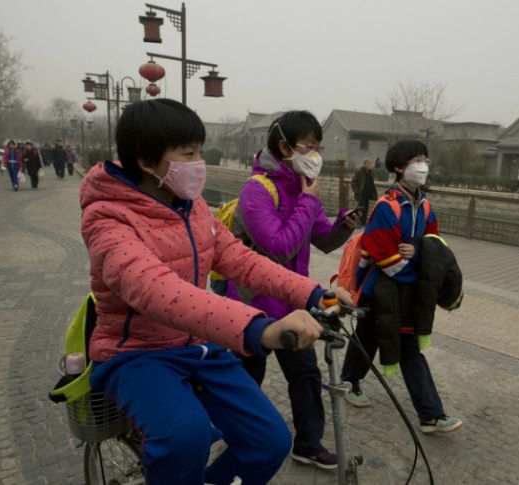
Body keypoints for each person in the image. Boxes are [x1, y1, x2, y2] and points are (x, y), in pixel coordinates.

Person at [82, 99, 332, 485]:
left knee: (270, 440)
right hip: (135, 353)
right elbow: (153, 289)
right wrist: (257, 328)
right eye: (189, 153)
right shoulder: (107, 218)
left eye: (200, 151)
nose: (198, 162)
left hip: (196, 344)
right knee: (185, 437)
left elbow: (240, 259)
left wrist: (314, 293)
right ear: (147, 162)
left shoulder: (192, 206)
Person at [226, 111, 361, 469]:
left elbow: (321, 239)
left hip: (293, 303)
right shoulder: (257, 190)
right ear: (284, 146)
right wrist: (309, 202)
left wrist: (344, 226)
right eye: (309, 146)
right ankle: (244, 443)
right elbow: (279, 247)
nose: (316, 154)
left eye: (319, 147)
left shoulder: (303, 184)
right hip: (251, 306)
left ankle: (308, 443)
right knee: (247, 380)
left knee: (306, 376)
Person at [338, 139, 462, 434]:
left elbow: (435, 247)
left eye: (425, 159)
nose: (423, 165)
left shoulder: (425, 205)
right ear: (398, 167)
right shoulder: (386, 207)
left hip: (407, 291)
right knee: (384, 341)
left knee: (384, 341)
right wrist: (420, 271)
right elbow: (384, 256)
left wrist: (417, 253)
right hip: (381, 290)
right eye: (416, 160)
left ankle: (428, 414)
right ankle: (429, 415)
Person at [351, 157, 379, 226]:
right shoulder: (360, 171)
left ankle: (363, 223)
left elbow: (375, 171)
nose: (370, 165)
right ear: (364, 164)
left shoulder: (371, 172)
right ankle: (357, 222)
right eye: (368, 163)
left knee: (366, 209)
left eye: (370, 163)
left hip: (367, 194)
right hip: (361, 194)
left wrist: (377, 164)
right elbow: (353, 182)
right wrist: (357, 191)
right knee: (360, 209)